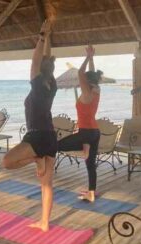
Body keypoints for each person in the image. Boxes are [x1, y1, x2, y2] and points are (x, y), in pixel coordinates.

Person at [1, 20, 57, 232]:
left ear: (39, 71)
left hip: (37, 136)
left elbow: (36, 62)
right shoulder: (51, 85)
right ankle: (44, 223)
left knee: (6, 162)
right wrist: (48, 37)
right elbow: (45, 60)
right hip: (50, 136)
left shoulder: (38, 85)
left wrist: (42, 36)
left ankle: (36, 158)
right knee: (46, 184)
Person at [58, 45, 102, 202]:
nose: (80, 82)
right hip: (94, 132)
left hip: (86, 133)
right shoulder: (96, 90)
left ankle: (42, 165)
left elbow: (80, 73)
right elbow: (90, 76)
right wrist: (91, 59)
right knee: (90, 163)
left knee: (56, 146)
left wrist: (87, 57)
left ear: (86, 82)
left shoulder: (86, 93)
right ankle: (91, 193)